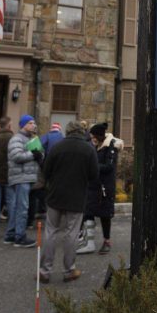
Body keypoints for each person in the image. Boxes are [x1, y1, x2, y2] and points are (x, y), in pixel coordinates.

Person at [39, 121, 98, 283]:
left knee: (51, 232)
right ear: (81, 132)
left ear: (67, 131)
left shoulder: (57, 147)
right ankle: (68, 270)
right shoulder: (88, 149)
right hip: (77, 196)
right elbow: (94, 174)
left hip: (56, 195)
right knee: (71, 233)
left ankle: (44, 271)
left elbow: (46, 170)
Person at [77, 122, 123, 255]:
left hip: (105, 187)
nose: (92, 139)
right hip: (93, 186)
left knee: (104, 215)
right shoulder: (95, 145)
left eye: (94, 136)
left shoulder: (111, 147)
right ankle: (88, 242)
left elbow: (109, 167)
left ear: (99, 135)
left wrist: (92, 166)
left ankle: (107, 241)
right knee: (88, 212)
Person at [5, 114, 41, 248]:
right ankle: (20, 237)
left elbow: (36, 154)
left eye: (34, 123)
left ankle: (10, 235)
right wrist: (33, 154)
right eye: (31, 123)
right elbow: (16, 156)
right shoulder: (17, 139)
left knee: (17, 207)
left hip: (25, 177)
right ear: (23, 125)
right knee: (22, 208)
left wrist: (39, 155)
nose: (34, 125)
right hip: (21, 178)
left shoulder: (30, 138)